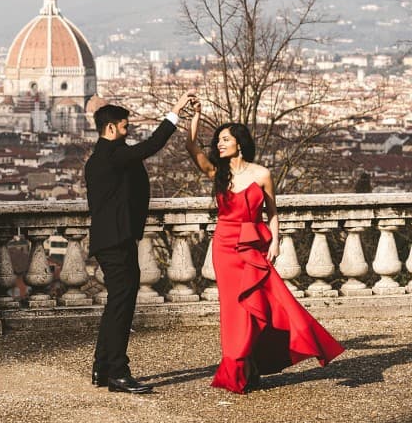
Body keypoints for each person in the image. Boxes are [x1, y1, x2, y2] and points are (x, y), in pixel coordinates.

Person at [185, 100, 345, 393]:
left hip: (252, 247)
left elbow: (273, 213)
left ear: (239, 143)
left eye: (225, 139)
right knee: (234, 309)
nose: (219, 144)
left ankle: (254, 360)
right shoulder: (217, 173)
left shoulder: (262, 175)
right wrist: (195, 117)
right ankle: (240, 365)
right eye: (218, 140)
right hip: (224, 247)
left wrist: (276, 243)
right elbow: (191, 146)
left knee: (268, 303)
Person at [85, 93, 194, 394]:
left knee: (117, 305)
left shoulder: (103, 157)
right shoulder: (112, 155)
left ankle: (103, 366)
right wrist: (175, 112)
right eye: (124, 127)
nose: (127, 131)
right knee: (122, 305)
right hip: (117, 241)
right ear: (109, 128)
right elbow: (152, 146)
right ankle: (118, 371)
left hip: (113, 239)